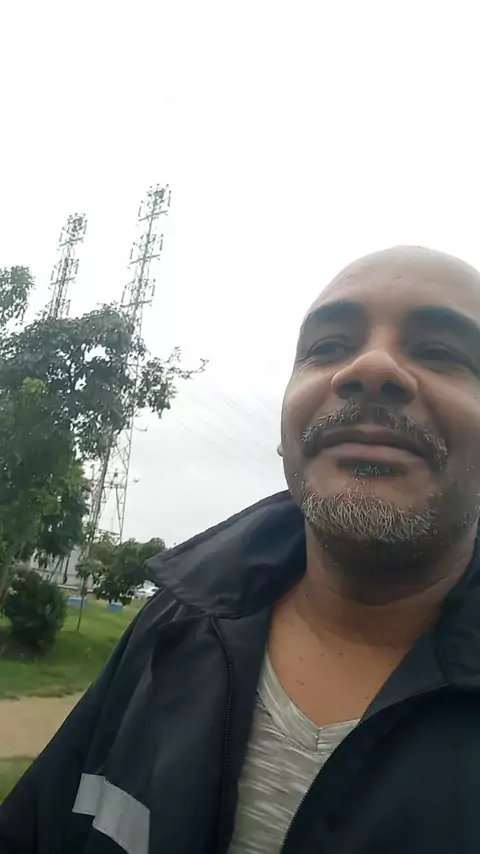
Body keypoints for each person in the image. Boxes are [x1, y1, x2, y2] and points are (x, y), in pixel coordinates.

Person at [3, 245, 480, 854]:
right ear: (286, 434)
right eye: (327, 347)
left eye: (440, 352)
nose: (369, 367)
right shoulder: (175, 622)